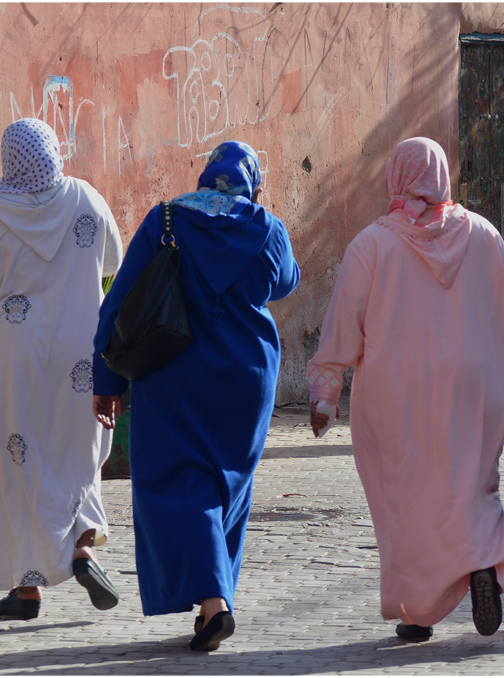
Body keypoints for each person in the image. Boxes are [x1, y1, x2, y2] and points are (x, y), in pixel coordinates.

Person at [307, 137, 504, 642]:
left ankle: (418, 610)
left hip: (399, 391)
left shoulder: (373, 244)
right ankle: (483, 559)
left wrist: (325, 392)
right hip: (475, 385)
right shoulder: (486, 236)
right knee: (474, 482)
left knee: (407, 495)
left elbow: (344, 322)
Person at [91, 141, 300, 652]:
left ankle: (214, 602)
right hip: (246, 379)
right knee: (226, 486)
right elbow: (286, 283)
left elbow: (118, 301)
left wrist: (106, 378)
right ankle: (216, 598)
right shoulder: (268, 228)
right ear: (251, 180)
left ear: (207, 176)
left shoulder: (167, 219)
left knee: (178, 484)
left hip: (172, 375)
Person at [0, 117, 123, 620]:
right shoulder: (87, 199)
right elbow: (113, 261)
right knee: (76, 449)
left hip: (12, 355)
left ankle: (28, 589)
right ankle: (82, 545)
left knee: (16, 459)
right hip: (80, 349)